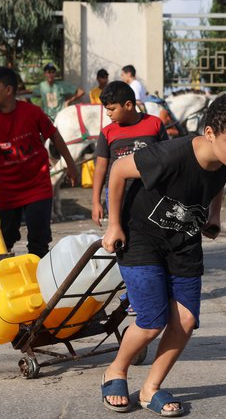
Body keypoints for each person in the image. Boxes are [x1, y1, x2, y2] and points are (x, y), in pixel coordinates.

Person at [99, 93, 226, 415]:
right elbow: (117, 171)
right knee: (152, 322)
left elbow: (218, 182)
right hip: (142, 239)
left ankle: (150, 388)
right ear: (210, 133)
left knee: (185, 321)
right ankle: (115, 370)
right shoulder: (169, 155)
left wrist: (215, 215)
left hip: (183, 241)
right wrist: (113, 225)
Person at [0, 67, 79, 257]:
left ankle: (39, 281)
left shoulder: (32, 112)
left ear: (9, 90)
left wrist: (71, 165)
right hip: (7, 189)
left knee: (39, 241)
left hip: (38, 187)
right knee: (4, 239)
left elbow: (55, 136)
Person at [92, 80, 169, 317]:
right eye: (106, 109)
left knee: (156, 248)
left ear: (129, 105)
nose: (109, 114)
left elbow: (169, 159)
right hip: (121, 204)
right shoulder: (108, 132)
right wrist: (96, 201)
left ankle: (153, 291)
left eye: (112, 109)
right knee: (125, 249)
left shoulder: (155, 125)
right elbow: (101, 168)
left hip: (153, 200)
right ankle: (133, 296)